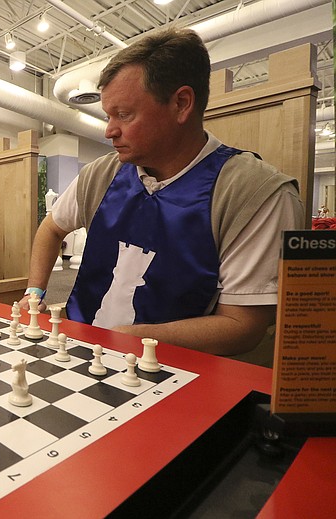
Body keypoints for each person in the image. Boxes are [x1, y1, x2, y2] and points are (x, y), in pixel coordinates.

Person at [22, 28, 303, 356]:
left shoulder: (255, 194)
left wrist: (131, 337)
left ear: (182, 104)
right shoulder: (100, 174)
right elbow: (51, 228)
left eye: (124, 114)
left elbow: (243, 326)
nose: (109, 131)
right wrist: (34, 290)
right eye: (109, 115)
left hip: (176, 378)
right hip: (80, 353)